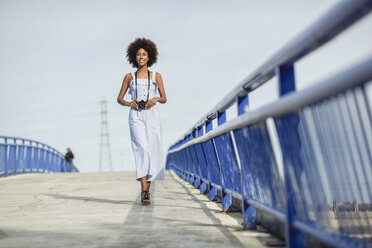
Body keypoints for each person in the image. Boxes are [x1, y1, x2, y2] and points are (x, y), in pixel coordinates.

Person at [117, 38, 167, 205]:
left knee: (152, 151)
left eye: (144, 54)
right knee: (142, 150)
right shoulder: (129, 77)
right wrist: (128, 102)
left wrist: (156, 99)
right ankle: (144, 190)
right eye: (138, 54)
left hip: (152, 115)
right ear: (133, 57)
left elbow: (165, 98)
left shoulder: (156, 76)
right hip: (136, 115)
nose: (141, 57)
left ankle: (147, 191)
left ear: (149, 56)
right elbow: (119, 98)